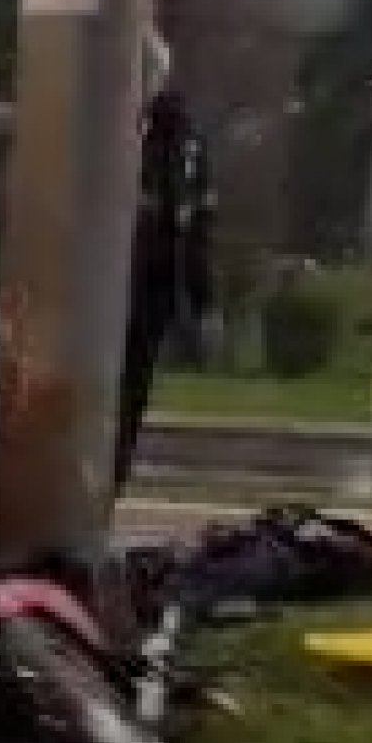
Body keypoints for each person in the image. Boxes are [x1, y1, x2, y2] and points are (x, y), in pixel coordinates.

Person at [113, 30, 217, 494]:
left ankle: (102, 495)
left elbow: (193, 226)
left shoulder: (179, 141)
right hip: (99, 297)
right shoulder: (102, 127)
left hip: (142, 292)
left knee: (123, 405)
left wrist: (201, 301)